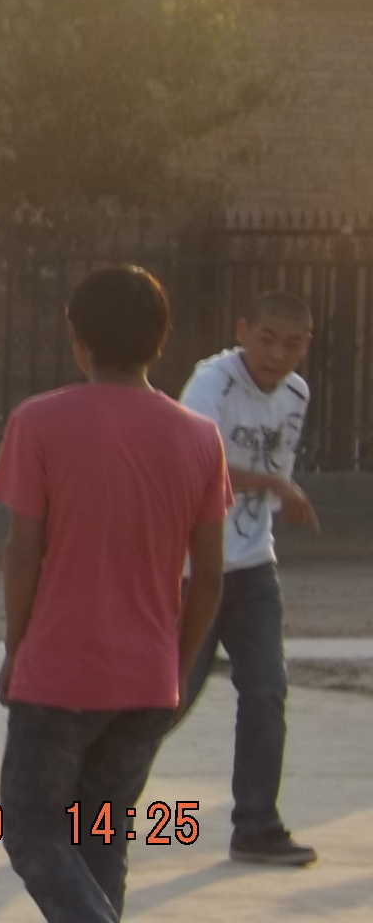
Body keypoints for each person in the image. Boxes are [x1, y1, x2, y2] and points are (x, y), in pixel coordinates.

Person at [0, 265, 229, 922]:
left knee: (33, 829)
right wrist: (176, 667)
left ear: (79, 339)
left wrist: (16, 649)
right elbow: (209, 575)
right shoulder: (199, 438)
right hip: (147, 680)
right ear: (161, 339)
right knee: (100, 842)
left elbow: (23, 552)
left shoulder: (39, 422)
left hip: (59, 674)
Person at [174, 290, 320, 866]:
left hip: (255, 565)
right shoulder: (212, 383)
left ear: (306, 346)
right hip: (193, 568)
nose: (277, 354)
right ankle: (90, 809)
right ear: (243, 331)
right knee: (166, 698)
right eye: (266, 339)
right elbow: (194, 466)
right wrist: (275, 485)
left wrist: (272, 488)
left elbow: (269, 472)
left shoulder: (296, 394)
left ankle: (256, 825)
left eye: (292, 344)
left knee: (266, 691)